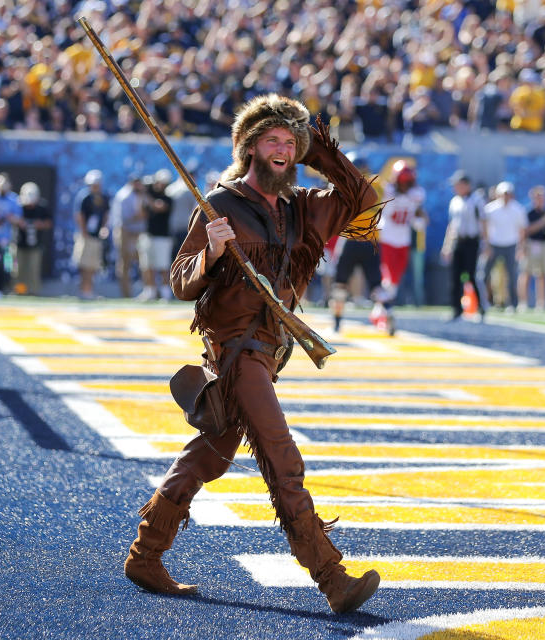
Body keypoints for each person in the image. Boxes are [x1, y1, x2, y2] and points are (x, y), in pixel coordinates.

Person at [124, 94, 381, 614]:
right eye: (273, 141)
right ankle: (331, 578)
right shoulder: (219, 203)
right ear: (249, 148)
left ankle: (146, 552)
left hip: (269, 352)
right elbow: (179, 281)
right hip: (235, 351)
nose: (283, 148)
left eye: (290, 142)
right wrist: (211, 251)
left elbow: (361, 198)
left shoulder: (302, 207)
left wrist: (318, 149)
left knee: (213, 453)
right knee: (282, 457)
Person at [370, 159, 427, 335]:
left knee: (395, 279)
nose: (405, 186)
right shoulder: (392, 192)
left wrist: (419, 219)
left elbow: (418, 216)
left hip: (402, 239)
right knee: (388, 277)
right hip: (388, 238)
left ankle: (380, 310)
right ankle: (384, 311)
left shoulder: (414, 194)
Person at [329, 152, 380, 334]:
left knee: (340, 284)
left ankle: (337, 320)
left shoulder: (344, 185)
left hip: (350, 240)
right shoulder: (377, 184)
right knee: (376, 284)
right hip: (369, 240)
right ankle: (388, 316)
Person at [441, 170, 485, 321]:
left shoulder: (477, 200)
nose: (455, 187)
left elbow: (483, 223)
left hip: (472, 242)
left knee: (471, 275)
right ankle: (456, 309)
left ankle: (480, 307)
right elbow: (452, 225)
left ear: (466, 185)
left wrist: (486, 244)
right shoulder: (455, 201)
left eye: (458, 184)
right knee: (455, 276)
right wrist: (446, 245)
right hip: (457, 242)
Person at [479, 181, 527, 312]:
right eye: (503, 194)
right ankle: (484, 301)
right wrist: (486, 245)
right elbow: (485, 229)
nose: (505, 196)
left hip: (511, 244)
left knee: (512, 276)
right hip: (494, 244)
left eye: (508, 194)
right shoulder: (490, 209)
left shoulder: (518, 209)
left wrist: (520, 247)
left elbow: (522, 230)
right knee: (484, 274)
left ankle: (512, 304)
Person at [138, 169, 174, 301]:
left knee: (163, 266)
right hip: (148, 235)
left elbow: (158, 207)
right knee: (148, 266)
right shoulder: (150, 196)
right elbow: (142, 214)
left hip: (163, 236)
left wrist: (145, 194)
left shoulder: (168, 198)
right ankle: (150, 291)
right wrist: (144, 196)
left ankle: (165, 293)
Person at [518, 185, 545, 311]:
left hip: (544, 244)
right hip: (531, 244)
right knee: (526, 273)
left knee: (543, 274)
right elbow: (527, 230)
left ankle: (541, 302)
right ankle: (523, 302)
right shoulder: (528, 213)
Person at [73, 169, 108, 300]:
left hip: (96, 236)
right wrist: (84, 232)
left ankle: (89, 290)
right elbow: (79, 215)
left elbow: (105, 214)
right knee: (84, 264)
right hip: (86, 235)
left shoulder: (102, 197)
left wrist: (104, 228)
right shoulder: (85, 197)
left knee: (93, 265)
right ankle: (84, 290)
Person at [14, 182, 52, 296]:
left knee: (33, 269)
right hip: (19, 243)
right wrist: (19, 222)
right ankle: (20, 291)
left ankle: (33, 291)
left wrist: (37, 224)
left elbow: (49, 223)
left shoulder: (42, 207)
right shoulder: (18, 206)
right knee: (18, 269)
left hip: (35, 244)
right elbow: (11, 218)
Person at [110, 173, 144, 298]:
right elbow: (125, 219)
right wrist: (140, 215)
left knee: (142, 262)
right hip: (125, 232)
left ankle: (145, 291)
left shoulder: (139, 195)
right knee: (125, 263)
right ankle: (126, 294)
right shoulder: (124, 196)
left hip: (137, 232)